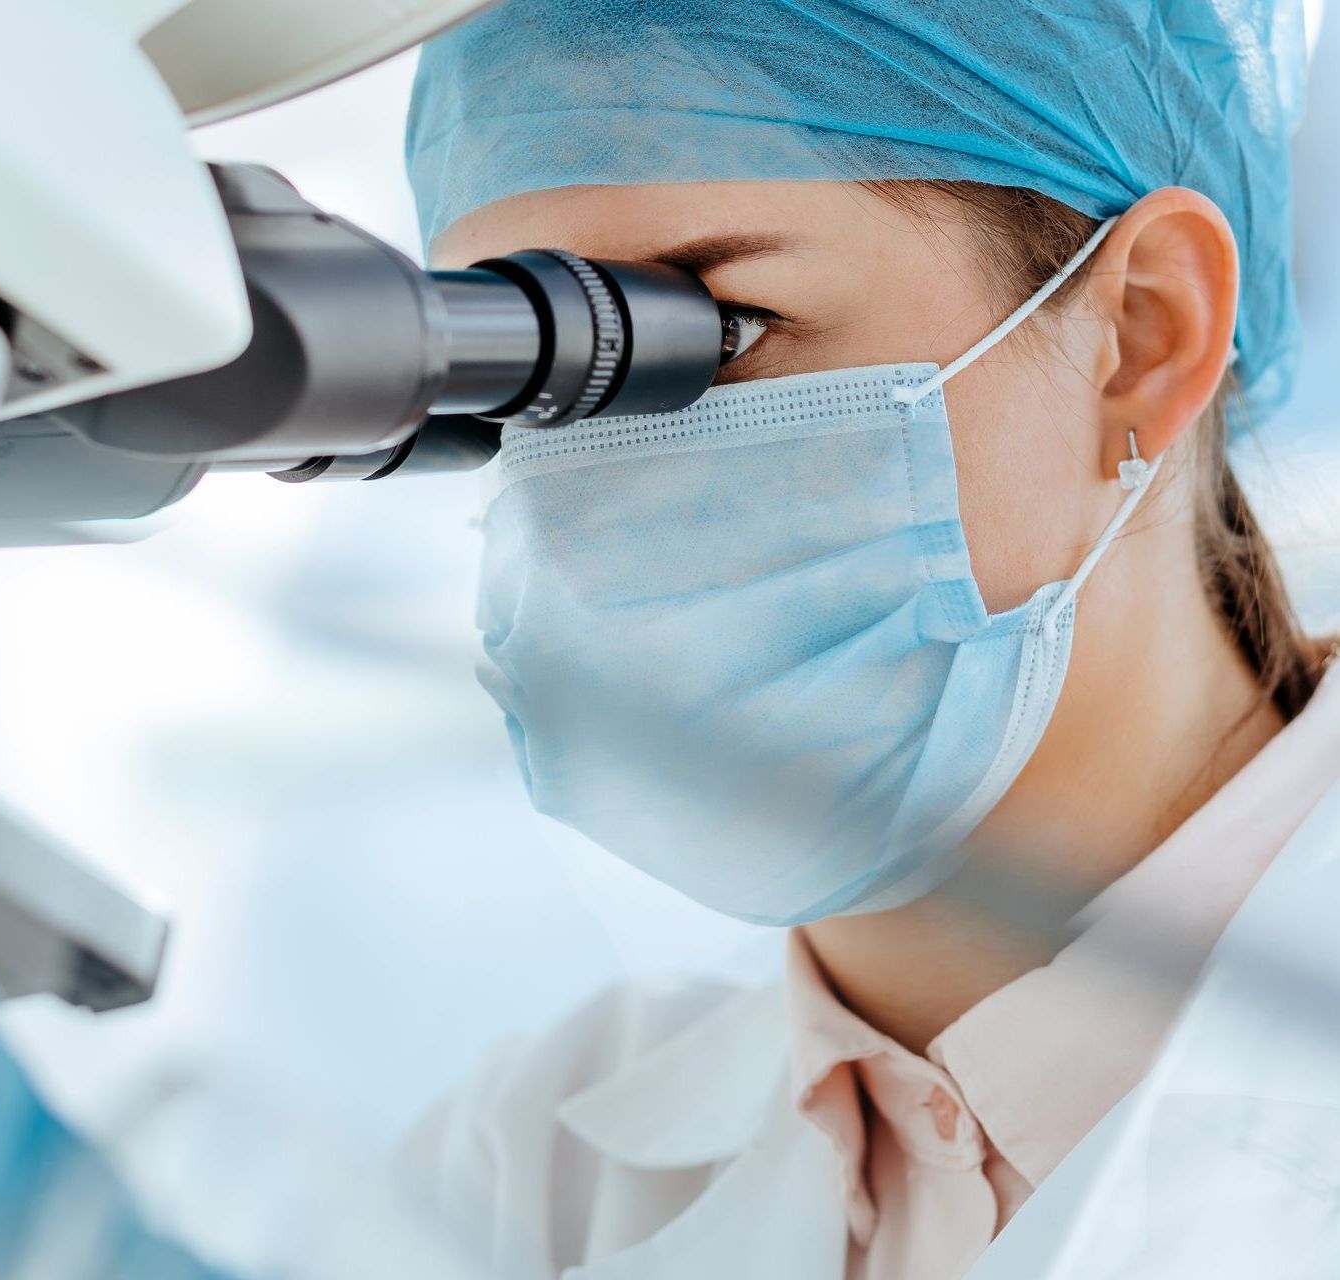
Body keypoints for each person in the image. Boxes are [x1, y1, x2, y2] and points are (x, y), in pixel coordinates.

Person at [399, 1, 1337, 1276]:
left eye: (712, 332)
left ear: (1144, 331)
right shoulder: (530, 1170)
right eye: (523, 383)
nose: (586, 490)